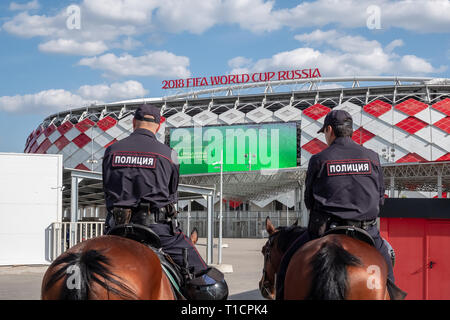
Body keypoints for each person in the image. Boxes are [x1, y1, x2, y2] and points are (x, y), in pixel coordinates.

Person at [102, 104, 228, 300]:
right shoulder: (169, 154)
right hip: (158, 232)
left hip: (116, 228)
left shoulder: (111, 151)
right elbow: (171, 194)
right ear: (159, 125)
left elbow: (107, 189)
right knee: (212, 285)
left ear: (133, 122)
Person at [276, 109, 405, 299]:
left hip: (325, 229)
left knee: (286, 263)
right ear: (350, 130)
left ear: (329, 130)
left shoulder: (319, 160)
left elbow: (309, 201)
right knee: (389, 276)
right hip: (366, 231)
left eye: (325, 133)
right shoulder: (372, 157)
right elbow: (380, 198)